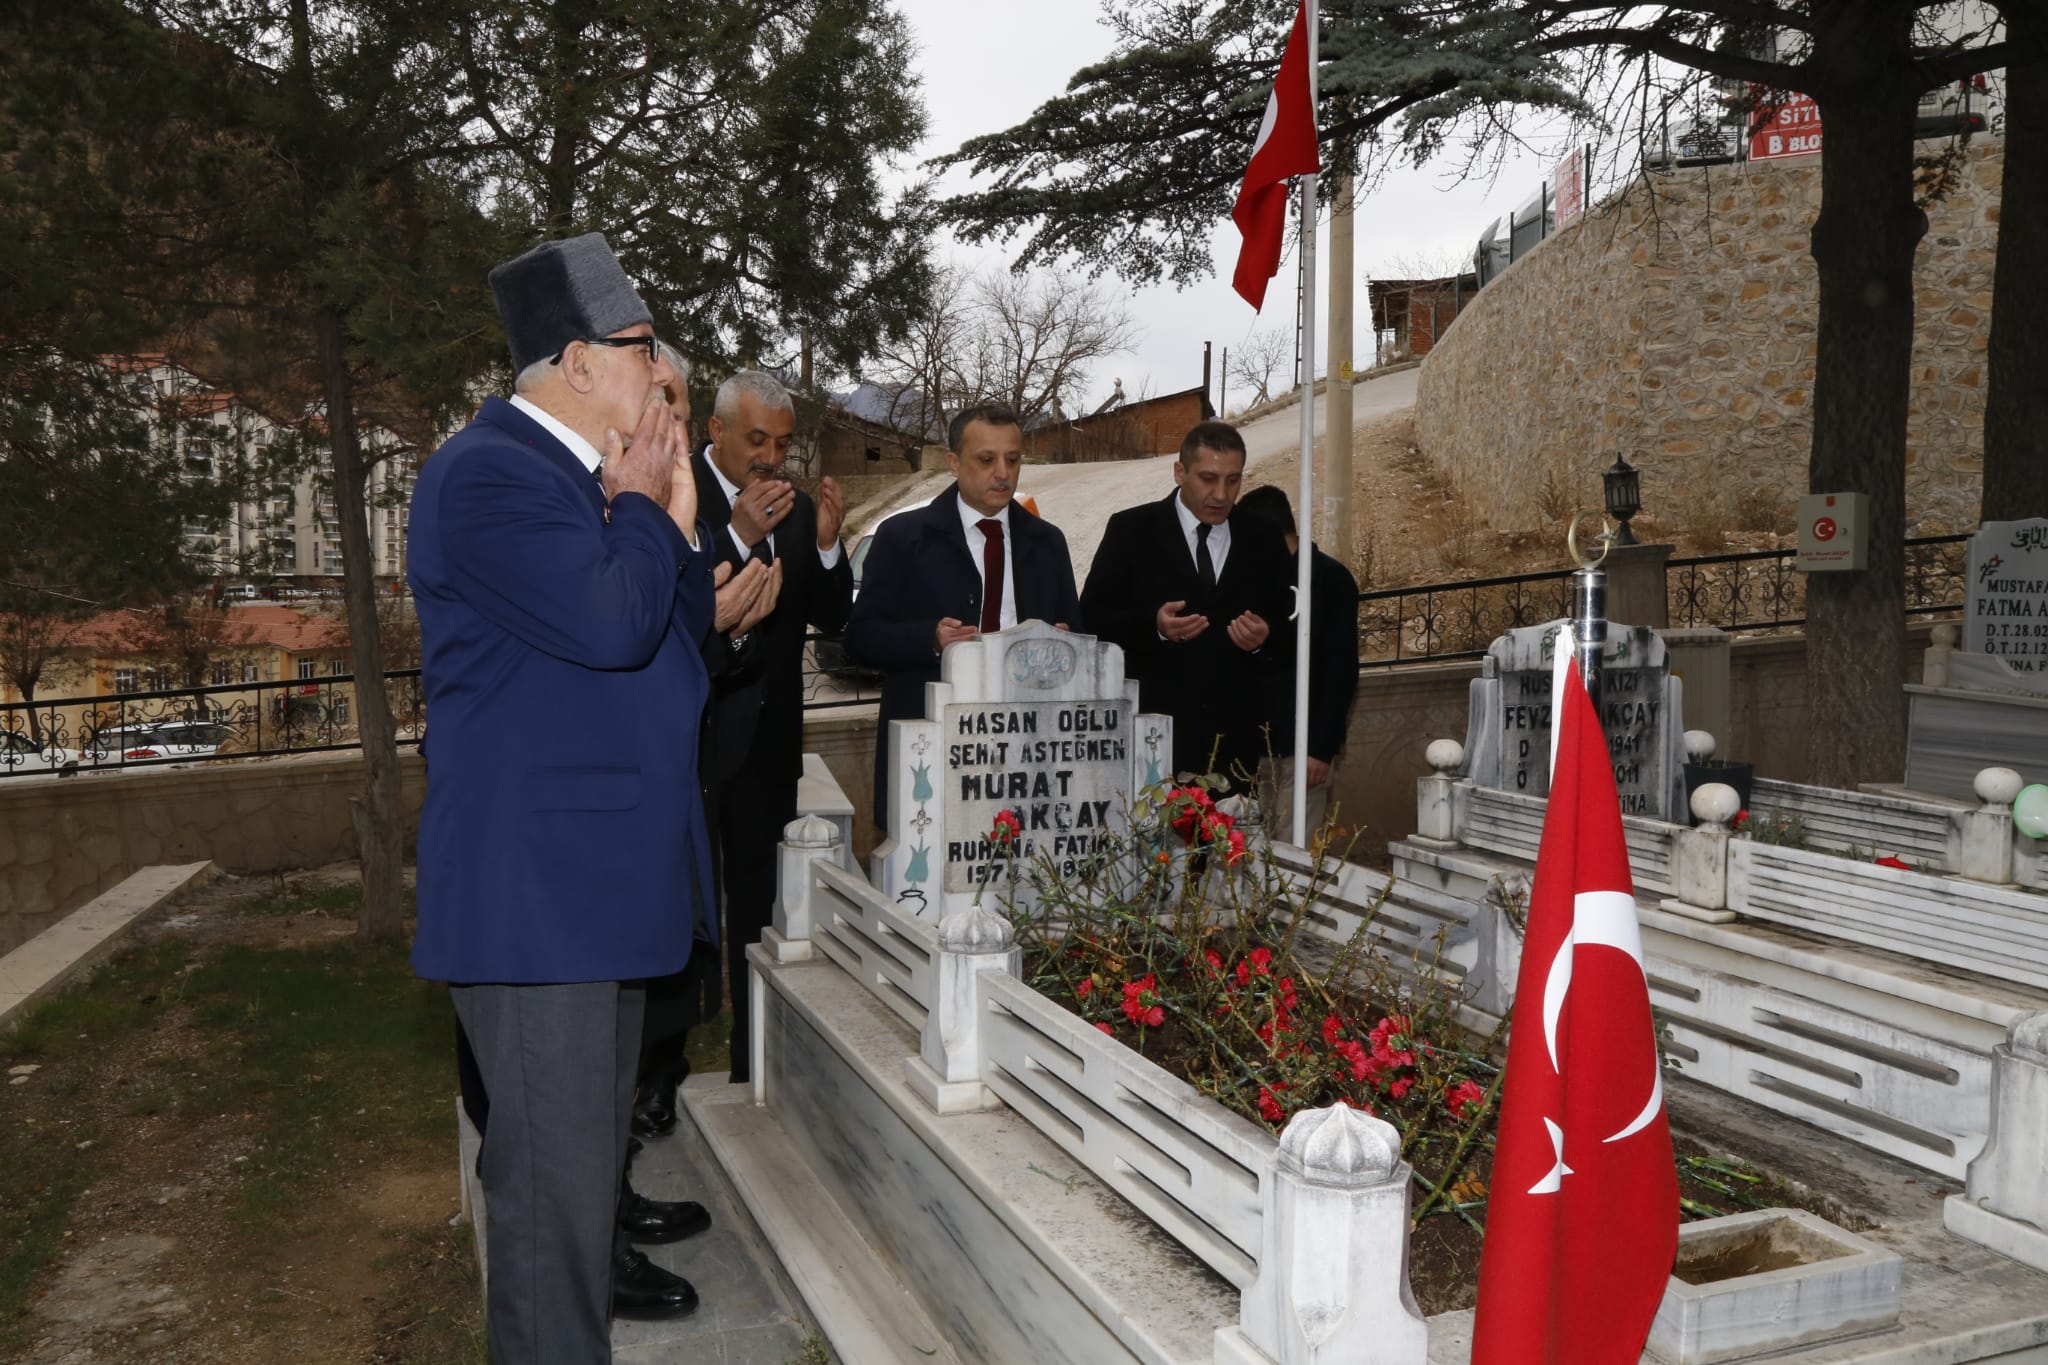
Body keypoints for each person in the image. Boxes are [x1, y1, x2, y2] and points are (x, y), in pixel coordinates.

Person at [409, 232, 718, 1361]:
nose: (661, 377)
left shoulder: (586, 482)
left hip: (599, 900)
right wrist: (644, 508)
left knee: (580, 1194)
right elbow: (605, 624)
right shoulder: (490, 471)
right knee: (550, 1209)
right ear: (580, 361)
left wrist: (671, 522)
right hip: (539, 908)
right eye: (644, 353)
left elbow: (664, 654)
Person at [667, 369, 853, 1089]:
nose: (771, 457)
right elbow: (674, 606)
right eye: (756, 439)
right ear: (716, 432)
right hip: (688, 744)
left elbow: (835, 619)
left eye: (782, 441)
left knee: (755, 917)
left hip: (768, 752)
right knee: (675, 917)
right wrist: (740, 535)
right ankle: (660, 1075)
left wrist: (830, 547)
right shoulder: (675, 496)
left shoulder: (799, 509)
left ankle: (753, 1065)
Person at [844, 404, 1081, 830]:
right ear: (954, 463)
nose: (1003, 473)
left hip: (1027, 754)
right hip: (931, 752)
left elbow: (1078, 633)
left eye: (1013, 459)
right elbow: (860, 638)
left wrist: (1065, 643)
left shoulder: (1047, 543)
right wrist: (930, 640)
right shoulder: (904, 537)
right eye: (987, 460)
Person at [1080, 420, 1292, 788]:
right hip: (1153, 740)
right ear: (1180, 472)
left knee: (1232, 845)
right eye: (1208, 478)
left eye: (1233, 480)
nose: (1221, 494)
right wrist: (1155, 627)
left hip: (1236, 748)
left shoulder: (1264, 537)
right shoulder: (1132, 530)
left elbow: (1290, 631)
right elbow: (1091, 618)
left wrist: (1264, 638)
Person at [1235, 484, 1361, 838]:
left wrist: (1321, 748)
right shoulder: (1253, 579)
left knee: (1294, 861)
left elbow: (1341, 670)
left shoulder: (1330, 580)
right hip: (1253, 748)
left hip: (1303, 751)